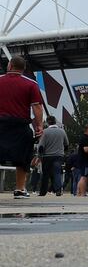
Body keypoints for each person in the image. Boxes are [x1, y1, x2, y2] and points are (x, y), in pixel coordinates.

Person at [0, 56, 44, 199]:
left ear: (9, 66)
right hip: (20, 126)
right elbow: (37, 106)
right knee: (23, 158)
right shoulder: (31, 84)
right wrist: (39, 126)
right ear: (23, 68)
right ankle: (19, 189)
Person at [37, 116, 69, 197]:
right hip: (59, 156)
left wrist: (39, 156)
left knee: (45, 174)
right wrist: (63, 151)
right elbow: (66, 144)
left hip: (47, 156)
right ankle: (58, 190)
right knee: (57, 173)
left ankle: (43, 192)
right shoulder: (62, 131)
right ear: (55, 122)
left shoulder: (45, 132)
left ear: (47, 122)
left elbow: (41, 146)